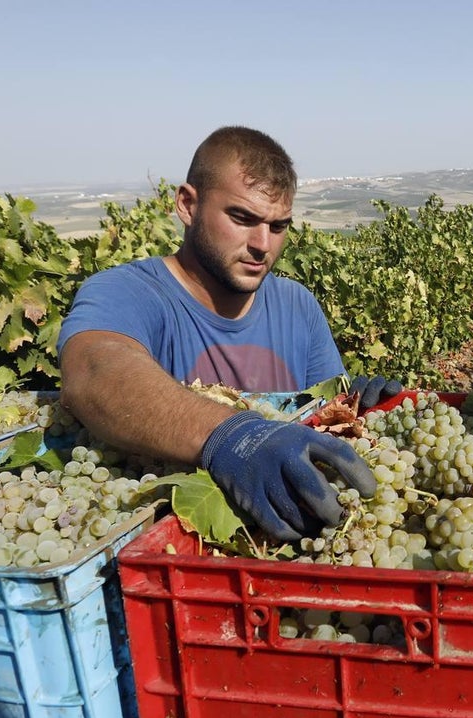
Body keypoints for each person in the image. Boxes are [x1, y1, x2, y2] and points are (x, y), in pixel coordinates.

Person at [57, 126, 400, 542]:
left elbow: (322, 420)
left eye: (278, 226)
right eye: (242, 218)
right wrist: (232, 436)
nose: (262, 244)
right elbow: (94, 371)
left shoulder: (298, 305)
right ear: (187, 205)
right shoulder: (129, 291)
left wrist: (357, 410)